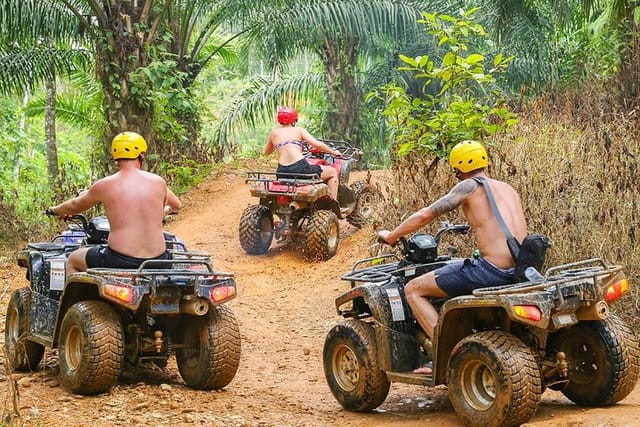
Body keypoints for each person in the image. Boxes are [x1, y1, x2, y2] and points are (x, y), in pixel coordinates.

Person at [377, 140, 527, 374]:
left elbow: (425, 215)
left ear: (458, 166)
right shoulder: (507, 188)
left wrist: (392, 235)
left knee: (414, 289)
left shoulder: (469, 186)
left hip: (491, 271)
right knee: (458, 268)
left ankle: (446, 355)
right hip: (520, 270)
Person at [47, 131, 182, 274]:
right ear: (141, 154)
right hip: (158, 261)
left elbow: (75, 206)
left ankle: (75, 297)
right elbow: (176, 205)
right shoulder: (158, 182)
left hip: (120, 260)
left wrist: (54, 210)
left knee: (74, 259)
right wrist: (164, 211)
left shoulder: (105, 185)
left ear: (115, 155)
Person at [264, 106, 341, 200]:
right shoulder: (299, 130)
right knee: (332, 172)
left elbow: (267, 152)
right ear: (294, 120)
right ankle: (332, 204)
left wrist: (279, 145)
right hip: (300, 168)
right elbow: (319, 145)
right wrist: (334, 152)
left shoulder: (274, 132)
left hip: (282, 171)